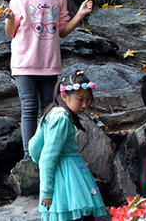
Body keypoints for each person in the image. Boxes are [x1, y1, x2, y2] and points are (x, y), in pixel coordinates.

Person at [3, 0, 93, 159]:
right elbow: (11, 32)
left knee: (49, 108)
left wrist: (79, 14)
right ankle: (29, 156)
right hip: (24, 62)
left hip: (49, 63)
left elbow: (62, 31)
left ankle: (47, 151)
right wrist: (10, 19)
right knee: (29, 106)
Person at [29, 70, 107, 221]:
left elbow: (34, 146)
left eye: (88, 100)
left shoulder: (51, 112)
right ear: (64, 96)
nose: (85, 105)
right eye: (80, 99)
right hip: (69, 174)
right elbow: (47, 157)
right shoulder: (61, 119)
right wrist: (46, 191)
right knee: (78, 213)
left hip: (63, 172)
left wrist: (35, 158)